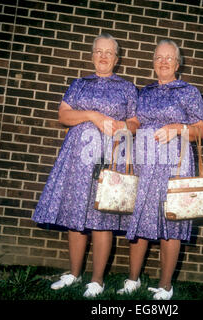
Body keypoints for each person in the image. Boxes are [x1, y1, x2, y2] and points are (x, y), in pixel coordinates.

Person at [32, 33, 139, 298]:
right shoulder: (79, 84)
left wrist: (122, 127)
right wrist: (91, 115)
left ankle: (97, 280)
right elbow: (64, 115)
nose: (103, 56)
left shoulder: (127, 88)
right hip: (77, 158)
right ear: (92, 55)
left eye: (109, 52)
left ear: (117, 58)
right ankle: (73, 274)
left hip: (109, 156)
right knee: (75, 215)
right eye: (98, 51)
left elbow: (136, 123)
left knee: (102, 215)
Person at [117, 39, 203, 300]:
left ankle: (166, 286)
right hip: (145, 162)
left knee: (172, 220)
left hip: (175, 164)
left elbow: (202, 130)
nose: (164, 62)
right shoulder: (144, 92)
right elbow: (134, 123)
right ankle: (133, 279)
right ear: (153, 63)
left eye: (169, 58)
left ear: (178, 63)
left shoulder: (189, 92)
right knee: (141, 218)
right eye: (159, 57)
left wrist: (177, 128)